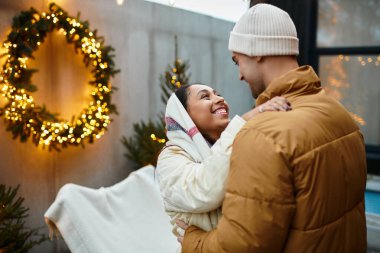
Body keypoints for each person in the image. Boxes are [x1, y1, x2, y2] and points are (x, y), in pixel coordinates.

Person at [177, 3, 367, 253]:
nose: (240, 76)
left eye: (237, 62)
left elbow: (241, 247)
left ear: (255, 51)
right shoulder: (340, 114)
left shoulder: (263, 134)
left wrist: (192, 241)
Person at [157, 83, 291, 242]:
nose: (219, 99)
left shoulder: (237, 142)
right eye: (205, 97)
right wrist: (244, 120)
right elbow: (204, 190)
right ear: (184, 115)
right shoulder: (171, 156)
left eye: (218, 94)